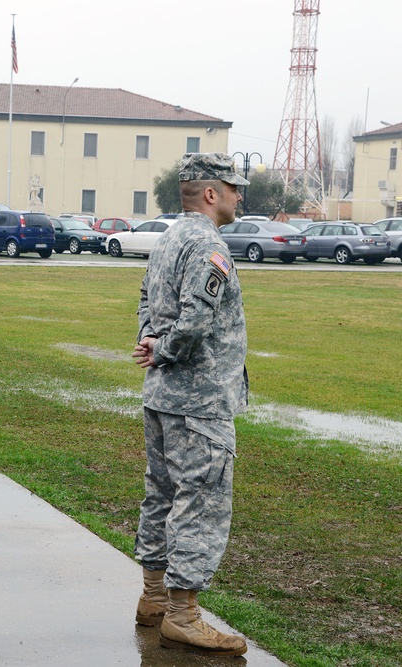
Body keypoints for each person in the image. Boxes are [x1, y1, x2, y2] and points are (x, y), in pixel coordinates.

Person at [131, 152, 249, 657]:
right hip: (198, 404)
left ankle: (154, 596)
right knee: (198, 503)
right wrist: (167, 347)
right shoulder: (206, 243)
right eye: (233, 187)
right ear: (210, 193)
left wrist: (150, 341)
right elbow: (198, 318)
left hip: (162, 397)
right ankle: (183, 615)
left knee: (161, 495)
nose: (239, 196)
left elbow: (144, 299)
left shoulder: (169, 238)